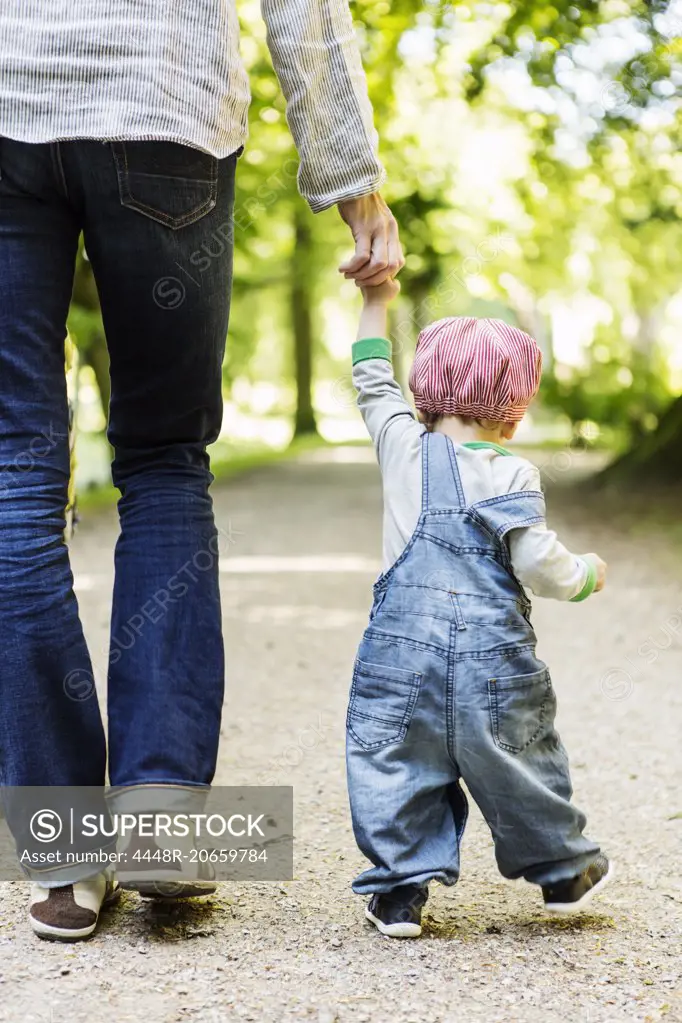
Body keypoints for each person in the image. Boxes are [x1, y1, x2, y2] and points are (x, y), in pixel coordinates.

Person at [0, 0, 403, 941]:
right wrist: (354, 183)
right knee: (167, 460)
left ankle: (63, 853)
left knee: (16, 469)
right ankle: (160, 817)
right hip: (162, 104)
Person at [347, 279, 611, 938]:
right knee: (520, 758)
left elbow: (370, 377)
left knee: (395, 762)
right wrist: (583, 575)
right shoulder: (512, 472)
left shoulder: (402, 446)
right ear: (514, 417)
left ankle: (399, 892)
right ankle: (562, 873)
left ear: (422, 393)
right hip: (493, 663)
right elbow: (535, 561)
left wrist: (375, 296)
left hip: (399, 660)